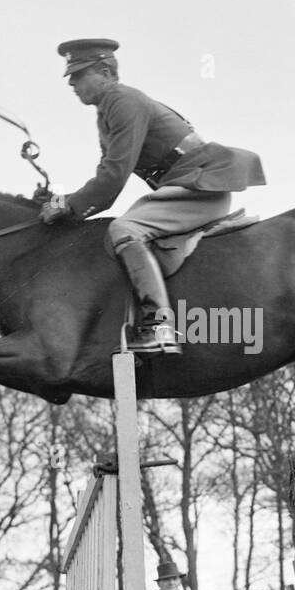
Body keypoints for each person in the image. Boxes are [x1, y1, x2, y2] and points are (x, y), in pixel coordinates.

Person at [39, 38, 266, 354]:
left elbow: (112, 178)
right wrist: (66, 205)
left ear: (105, 71)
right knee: (126, 226)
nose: (72, 83)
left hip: (199, 188)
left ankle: (159, 326)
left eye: (79, 74)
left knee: (124, 229)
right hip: (189, 187)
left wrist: (69, 205)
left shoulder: (122, 101)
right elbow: (107, 183)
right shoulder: (108, 110)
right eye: (71, 77)